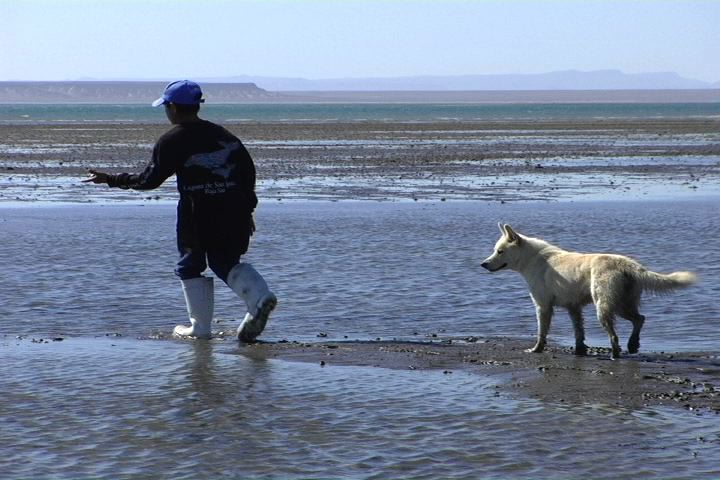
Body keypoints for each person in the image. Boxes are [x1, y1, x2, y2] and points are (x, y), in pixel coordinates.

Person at [83, 80, 276, 342]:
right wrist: (247, 210)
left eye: (166, 107)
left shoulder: (173, 140)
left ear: (172, 107)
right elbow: (247, 174)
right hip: (234, 210)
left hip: (198, 214)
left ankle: (200, 328)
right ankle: (259, 298)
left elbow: (148, 180)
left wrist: (112, 179)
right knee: (225, 261)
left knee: (190, 265)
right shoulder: (224, 136)